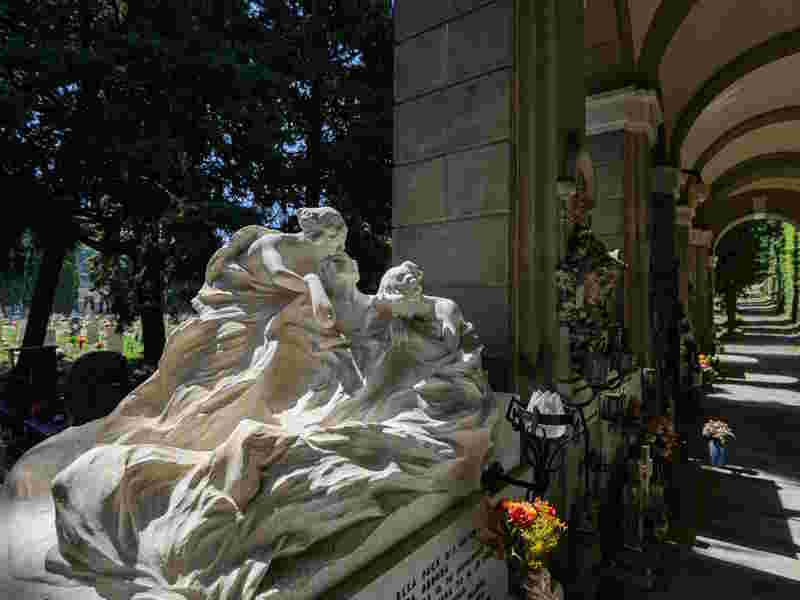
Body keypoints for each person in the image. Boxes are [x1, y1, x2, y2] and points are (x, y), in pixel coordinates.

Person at [6, 207, 348, 498]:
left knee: (285, 367)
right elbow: (277, 275)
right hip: (239, 318)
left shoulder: (320, 260)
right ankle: (186, 435)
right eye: (334, 243)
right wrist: (312, 284)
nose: (336, 250)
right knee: (224, 387)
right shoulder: (271, 243)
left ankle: (261, 430)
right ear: (316, 234)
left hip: (275, 320)